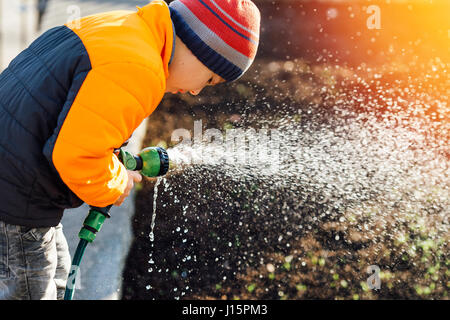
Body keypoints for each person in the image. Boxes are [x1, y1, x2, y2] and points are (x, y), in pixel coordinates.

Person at [0, 0, 260, 299]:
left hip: (19, 185)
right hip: (15, 203)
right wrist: (115, 183)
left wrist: (110, 158)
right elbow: (76, 156)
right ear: (199, 48)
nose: (197, 90)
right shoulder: (140, 67)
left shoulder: (124, 29)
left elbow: (75, 119)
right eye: (211, 78)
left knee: (57, 277)